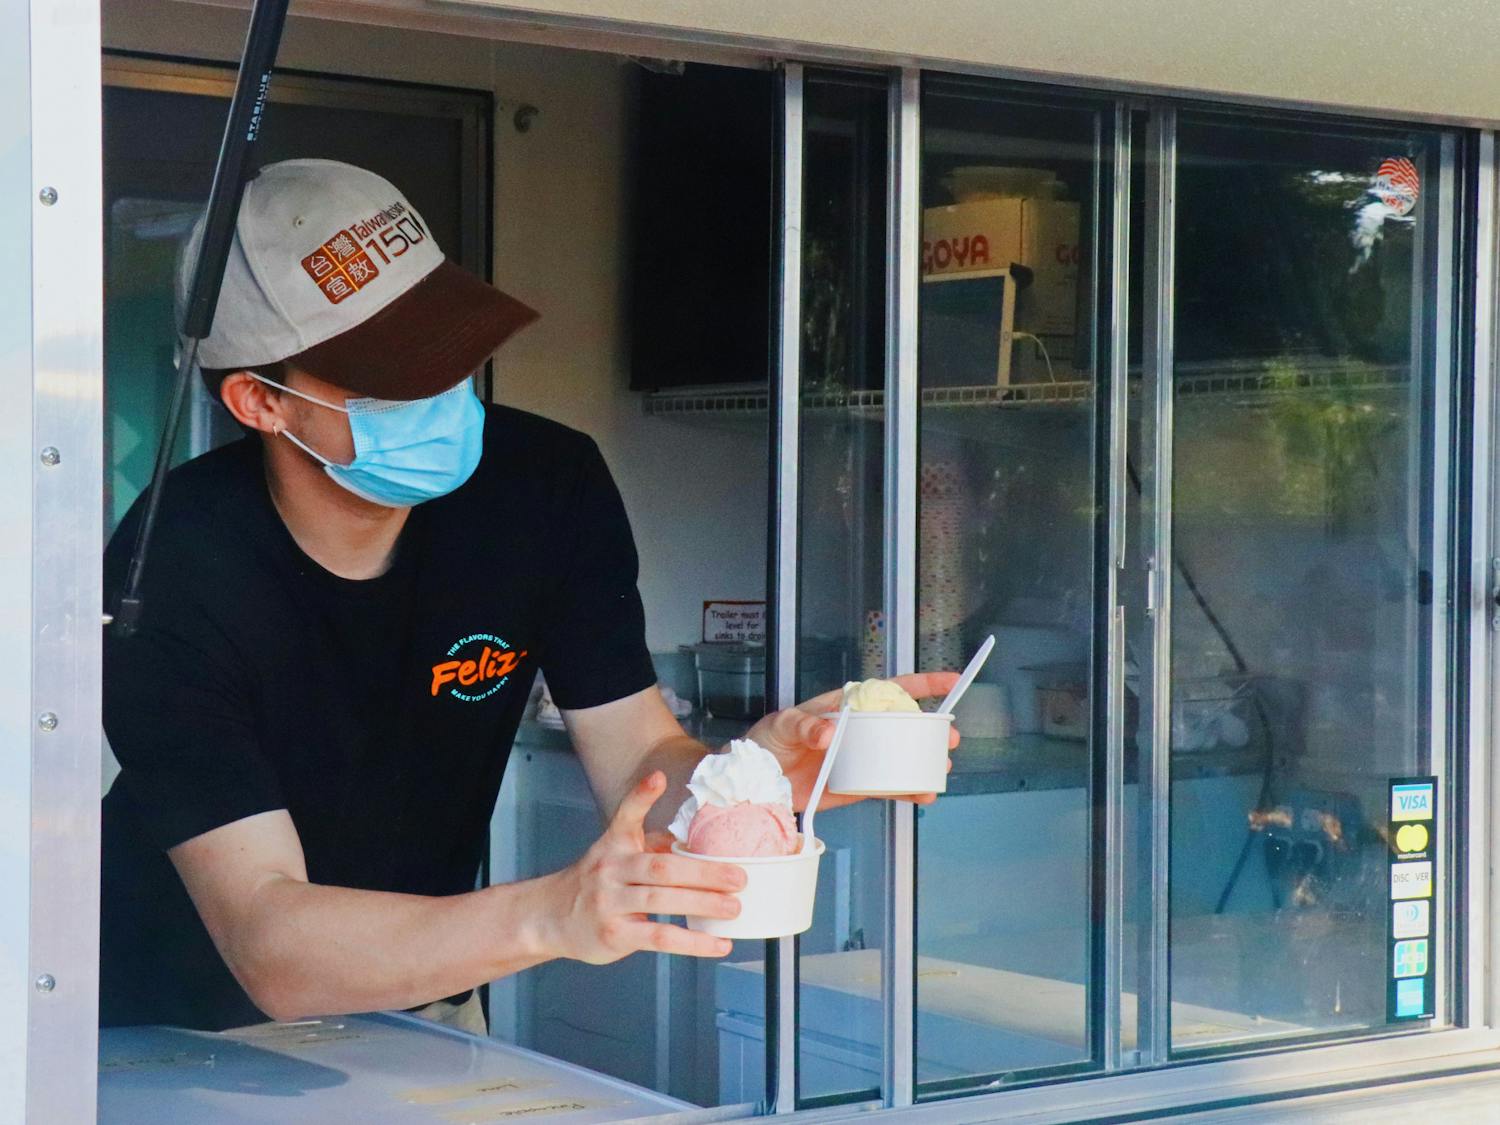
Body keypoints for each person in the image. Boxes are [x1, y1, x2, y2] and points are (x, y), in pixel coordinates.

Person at [100, 159, 958, 1035]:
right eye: (396, 376)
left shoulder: (543, 488)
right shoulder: (170, 566)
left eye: (451, 352)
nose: (442, 393)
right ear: (259, 401)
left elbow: (636, 760)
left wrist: (750, 775)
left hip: (419, 1001)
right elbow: (268, 937)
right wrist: (555, 913)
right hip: (169, 1025)